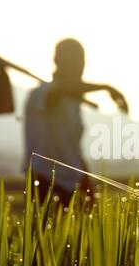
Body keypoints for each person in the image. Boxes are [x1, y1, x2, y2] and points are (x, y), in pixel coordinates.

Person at [23, 38, 128, 206]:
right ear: (57, 61)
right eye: (72, 61)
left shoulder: (72, 101)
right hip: (45, 181)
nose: (78, 67)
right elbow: (62, 88)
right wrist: (107, 87)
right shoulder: (41, 95)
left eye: (81, 61)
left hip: (72, 181)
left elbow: (72, 147)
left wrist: (85, 179)